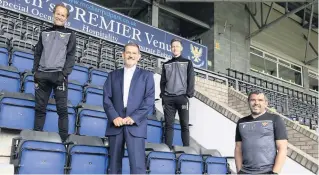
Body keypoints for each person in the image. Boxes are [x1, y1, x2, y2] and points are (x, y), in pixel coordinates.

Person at [103, 43, 155, 174]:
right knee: (113, 167)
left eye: (134, 53)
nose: (131, 55)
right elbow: (106, 99)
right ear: (123, 55)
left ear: (139, 57)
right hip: (116, 125)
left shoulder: (147, 76)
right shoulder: (112, 75)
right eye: (128, 52)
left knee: (138, 167)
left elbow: (149, 101)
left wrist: (134, 117)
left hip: (136, 126)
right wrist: (114, 116)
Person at [32, 3, 76, 142]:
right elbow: (38, 52)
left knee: (62, 110)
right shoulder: (44, 32)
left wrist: (63, 74)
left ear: (66, 18)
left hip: (59, 76)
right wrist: (35, 72)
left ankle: (64, 142)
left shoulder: (70, 34)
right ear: (53, 14)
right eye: (58, 13)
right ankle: (36, 137)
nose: (60, 17)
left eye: (63, 15)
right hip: (42, 75)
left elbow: (70, 56)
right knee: (40, 108)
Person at [234, 90, 288, 174]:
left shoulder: (275, 119)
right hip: (245, 172)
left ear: (266, 103)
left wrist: (274, 173)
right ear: (248, 102)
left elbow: (282, 148)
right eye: (253, 100)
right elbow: (238, 148)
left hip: (267, 172)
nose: (256, 103)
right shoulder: (241, 122)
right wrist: (239, 171)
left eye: (260, 100)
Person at [160, 38, 195, 149]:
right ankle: (167, 149)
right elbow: (163, 81)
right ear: (171, 48)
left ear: (181, 48)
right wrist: (163, 96)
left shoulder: (188, 62)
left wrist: (188, 94)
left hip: (182, 98)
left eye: (177, 46)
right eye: (173, 46)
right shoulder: (166, 64)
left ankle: (187, 150)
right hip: (168, 99)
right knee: (169, 125)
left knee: (184, 125)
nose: (175, 48)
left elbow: (191, 78)